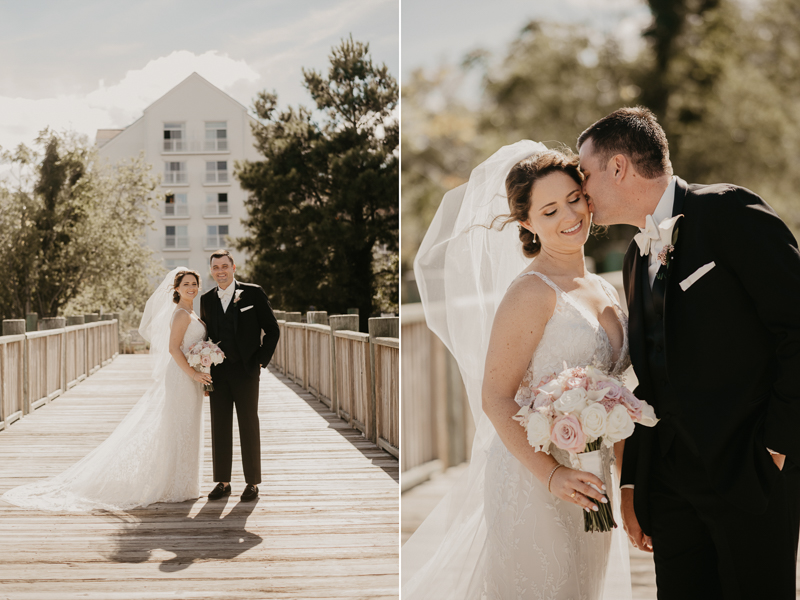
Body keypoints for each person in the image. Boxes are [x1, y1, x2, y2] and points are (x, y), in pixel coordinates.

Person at [577, 106, 800, 599]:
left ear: (618, 168)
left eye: (585, 173)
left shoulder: (730, 213)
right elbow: (653, 379)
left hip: (753, 473)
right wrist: (635, 482)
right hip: (673, 487)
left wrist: (776, 447)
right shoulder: (636, 258)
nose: (581, 190)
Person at [404, 141, 632, 599]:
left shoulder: (603, 289)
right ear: (527, 223)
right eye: (549, 211)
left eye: (574, 199)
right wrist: (552, 474)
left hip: (594, 477)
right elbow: (496, 397)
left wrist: (625, 484)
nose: (570, 216)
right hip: (536, 483)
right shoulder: (531, 292)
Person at [1, 268, 212, 512]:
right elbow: (174, 349)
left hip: (191, 377)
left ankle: (184, 484)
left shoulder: (192, 312)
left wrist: (201, 372)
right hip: (181, 376)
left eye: (194, 283)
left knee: (186, 426)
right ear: (176, 289)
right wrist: (194, 373)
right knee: (178, 427)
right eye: (186, 283)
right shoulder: (181, 315)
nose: (191, 287)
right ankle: (174, 485)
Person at [200, 250, 280, 503]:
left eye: (225, 266)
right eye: (215, 267)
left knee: (248, 424)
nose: (220, 271)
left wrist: (259, 361)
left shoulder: (253, 293)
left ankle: (252, 483)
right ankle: (223, 482)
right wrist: (204, 368)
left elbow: (272, 330)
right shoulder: (206, 300)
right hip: (218, 374)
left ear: (233, 267)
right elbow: (205, 337)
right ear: (211, 270)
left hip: (246, 371)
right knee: (219, 426)